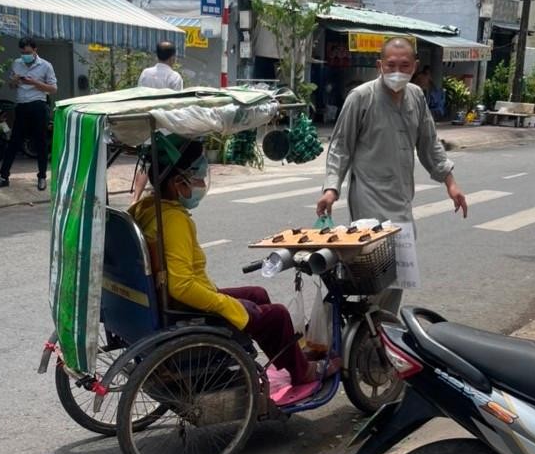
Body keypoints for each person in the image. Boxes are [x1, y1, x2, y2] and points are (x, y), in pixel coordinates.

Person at [129, 141, 339, 386]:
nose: (200, 184)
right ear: (178, 183)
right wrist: (226, 305)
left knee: (257, 293)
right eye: (196, 178)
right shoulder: (173, 221)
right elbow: (181, 286)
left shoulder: (145, 207)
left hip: (166, 298)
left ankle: (290, 359)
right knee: (278, 315)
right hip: (184, 306)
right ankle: (302, 372)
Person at [316, 37, 468, 313]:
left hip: (401, 201)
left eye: (404, 65)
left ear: (414, 67)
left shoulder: (416, 97)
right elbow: (340, 147)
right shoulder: (361, 97)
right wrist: (331, 189)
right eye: (391, 64)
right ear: (380, 65)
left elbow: (429, 143)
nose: (397, 70)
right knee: (373, 276)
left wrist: (451, 183)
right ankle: (365, 339)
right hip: (368, 200)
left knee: (398, 278)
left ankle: (383, 338)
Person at [0, 38, 57, 191]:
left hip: (38, 105)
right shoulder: (17, 63)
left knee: (40, 142)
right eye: (22, 53)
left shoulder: (46, 66)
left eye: (27, 52)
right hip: (21, 106)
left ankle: (42, 177)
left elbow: (53, 89)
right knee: (14, 142)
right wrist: (14, 81)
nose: (24, 56)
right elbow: (12, 86)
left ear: (35, 50)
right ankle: (3, 176)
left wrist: (34, 83)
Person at [131, 41, 186, 204]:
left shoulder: (145, 73)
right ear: (173, 57)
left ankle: (135, 198)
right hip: (166, 127)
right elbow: (177, 104)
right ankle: (161, 193)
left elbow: (139, 97)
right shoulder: (174, 77)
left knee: (144, 161)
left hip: (146, 124)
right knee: (165, 161)